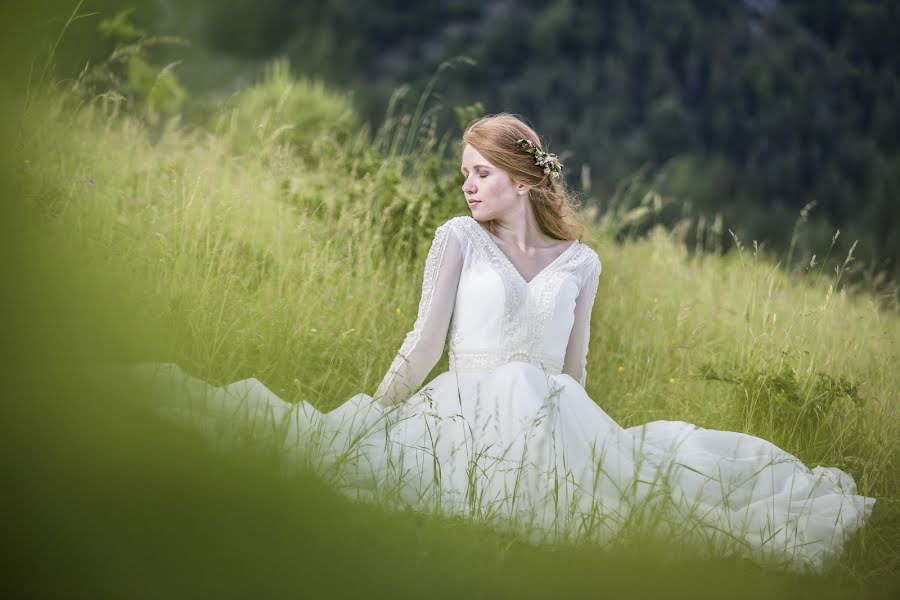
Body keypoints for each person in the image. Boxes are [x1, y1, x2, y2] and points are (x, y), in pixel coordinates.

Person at [143, 113, 874, 573]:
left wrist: (591, 444)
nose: (468, 185)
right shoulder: (457, 238)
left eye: (482, 173)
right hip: (466, 410)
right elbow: (423, 342)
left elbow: (576, 369)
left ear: (524, 180)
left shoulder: (582, 262)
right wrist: (370, 410)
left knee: (663, 491)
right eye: (464, 173)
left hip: (554, 416)